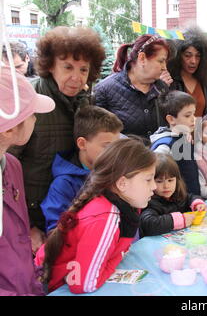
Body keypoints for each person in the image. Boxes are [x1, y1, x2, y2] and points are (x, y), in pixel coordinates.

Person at [8, 26, 106, 253]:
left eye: (83, 69)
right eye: (68, 67)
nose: (76, 77)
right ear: (50, 65)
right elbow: (5, 169)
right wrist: (28, 223)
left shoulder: (85, 102)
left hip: (65, 211)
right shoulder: (28, 100)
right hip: (30, 216)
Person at [35, 138, 157, 294]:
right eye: (148, 179)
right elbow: (85, 284)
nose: (154, 186)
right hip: (48, 287)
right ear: (122, 184)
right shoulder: (105, 218)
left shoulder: (122, 204)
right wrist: (114, 260)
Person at [0, 66, 55, 295]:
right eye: (31, 114)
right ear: (9, 129)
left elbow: (20, 239)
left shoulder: (11, 165)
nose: (35, 119)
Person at [41, 106, 123, 234]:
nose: (114, 153)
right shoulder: (64, 184)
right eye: (106, 146)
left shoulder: (117, 172)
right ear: (82, 144)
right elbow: (55, 231)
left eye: (116, 146)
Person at [94, 34, 171, 137]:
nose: (164, 67)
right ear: (142, 58)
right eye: (161, 61)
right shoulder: (104, 90)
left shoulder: (162, 88)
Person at [140, 153, 207, 236]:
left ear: (177, 180)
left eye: (170, 180)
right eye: (159, 181)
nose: (166, 186)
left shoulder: (177, 194)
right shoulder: (149, 201)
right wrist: (178, 220)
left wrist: (197, 203)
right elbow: (148, 223)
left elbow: (190, 197)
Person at [150, 90, 201, 195]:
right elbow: (153, 167)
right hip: (173, 201)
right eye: (187, 116)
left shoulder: (182, 136)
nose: (193, 119)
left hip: (190, 199)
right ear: (171, 119)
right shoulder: (165, 145)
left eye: (193, 114)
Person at [167, 26, 207, 117]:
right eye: (187, 55)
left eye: (198, 56)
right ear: (177, 56)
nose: (193, 61)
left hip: (199, 130)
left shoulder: (205, 82)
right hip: (179, 130)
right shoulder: (171, 81)